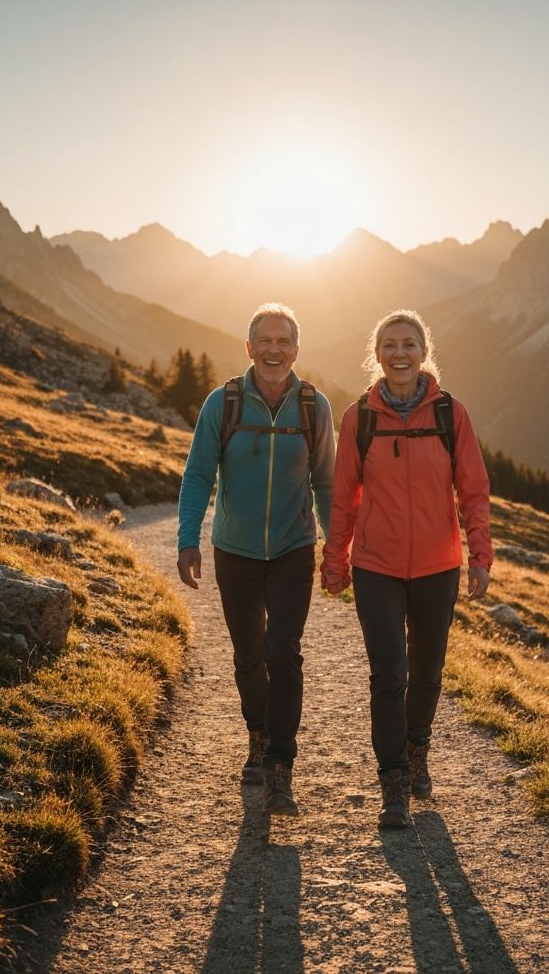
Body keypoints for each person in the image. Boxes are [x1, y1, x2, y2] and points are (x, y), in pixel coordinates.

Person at [321, 309, 492, 828]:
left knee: (428, 674)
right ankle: (393, 781)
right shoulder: (359, 418)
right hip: (377, 567)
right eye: (390, 345)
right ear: (377, 355)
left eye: (410, 344)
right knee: (388, 674)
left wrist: (480, 556)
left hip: (438, 567)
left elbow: (474, 490)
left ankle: (418, 748)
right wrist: (335, 561)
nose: (400, 353)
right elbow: (344, 497)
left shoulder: (449, 414)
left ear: (424, 352)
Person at [177, 303, 335, 817]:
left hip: (293, 549)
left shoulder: (314, 406)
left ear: (295, 349)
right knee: (248, 654)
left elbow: (326, 482)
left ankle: (280, 765)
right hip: (235, 550)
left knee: (283, 652)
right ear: (249, 347)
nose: (273, 349)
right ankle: (257, 733)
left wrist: (336, 546)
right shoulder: (222, 404)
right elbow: (199, 474)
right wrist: (187, 539)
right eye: (263, 341)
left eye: (283, 341)